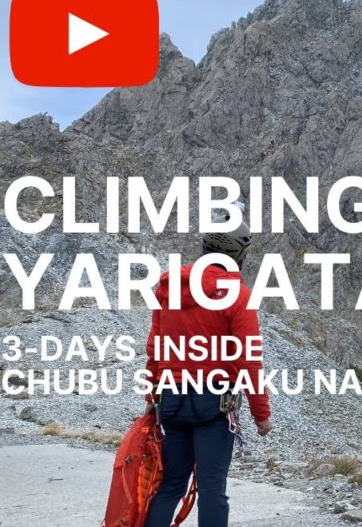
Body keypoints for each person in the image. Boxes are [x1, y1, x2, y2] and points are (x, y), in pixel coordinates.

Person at [144, 216, 272, 527]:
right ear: (238, 256)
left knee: (171, 485)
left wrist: (152, 396)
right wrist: (261, 413)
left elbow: (155, 349)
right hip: (214, 403)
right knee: (213, 490)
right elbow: (249, 359)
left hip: (172, 401)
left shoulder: (169, 288)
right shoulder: (238, 295)